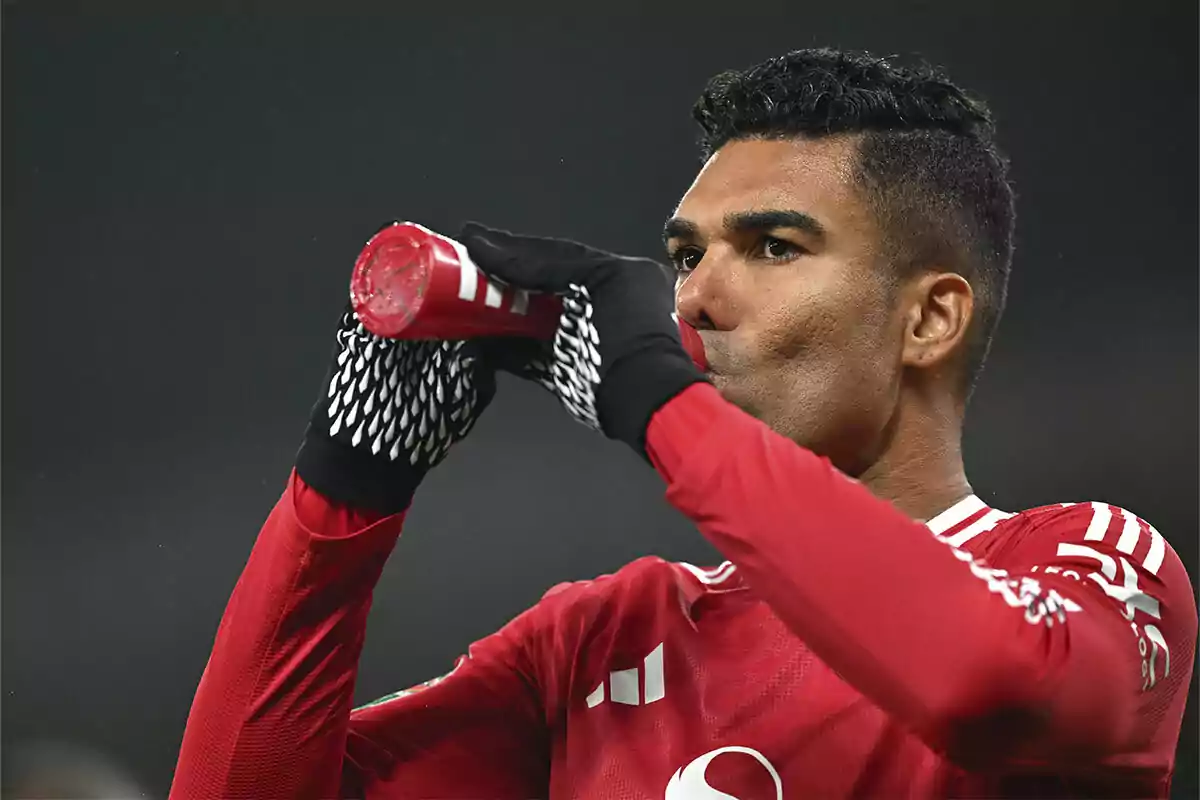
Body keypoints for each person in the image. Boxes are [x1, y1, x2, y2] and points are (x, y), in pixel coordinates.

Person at [170, 48, 1196, 799]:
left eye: (774, 246)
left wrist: (665, 407)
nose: (693, 298)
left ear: (928, 318)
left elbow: (982, 683)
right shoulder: (599, 640)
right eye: (687, 254)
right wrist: (344, 490)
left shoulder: (1091, 560)